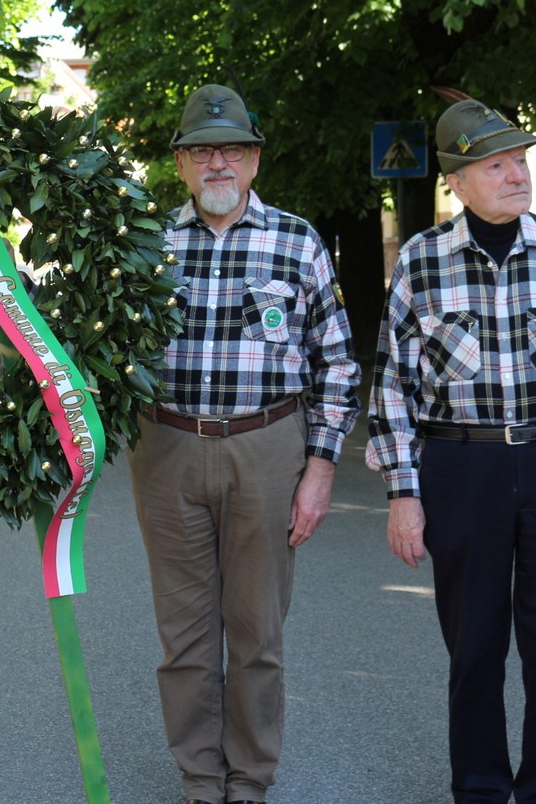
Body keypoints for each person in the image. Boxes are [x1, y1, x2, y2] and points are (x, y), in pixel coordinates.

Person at [366, 97, 536, 804]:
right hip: (462, 469)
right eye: (497, 166)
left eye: (520, 161)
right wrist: (403, 493)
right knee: (474, 644)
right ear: (457, 183)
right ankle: (482, 787)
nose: (517, 175)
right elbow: (393, 386)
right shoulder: (422, 262)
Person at [128, 84, 360, 804]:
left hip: (267, 449)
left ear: (255, 159)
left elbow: (337, 365)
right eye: (202, 151)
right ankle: (202, 778)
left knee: (257, 632)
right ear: (180, 164)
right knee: (185, 635)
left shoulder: (297, 241)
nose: (217, 163)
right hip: (166, 448)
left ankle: (250, 779)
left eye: (231, 149)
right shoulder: (142, 244)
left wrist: (320, 469)